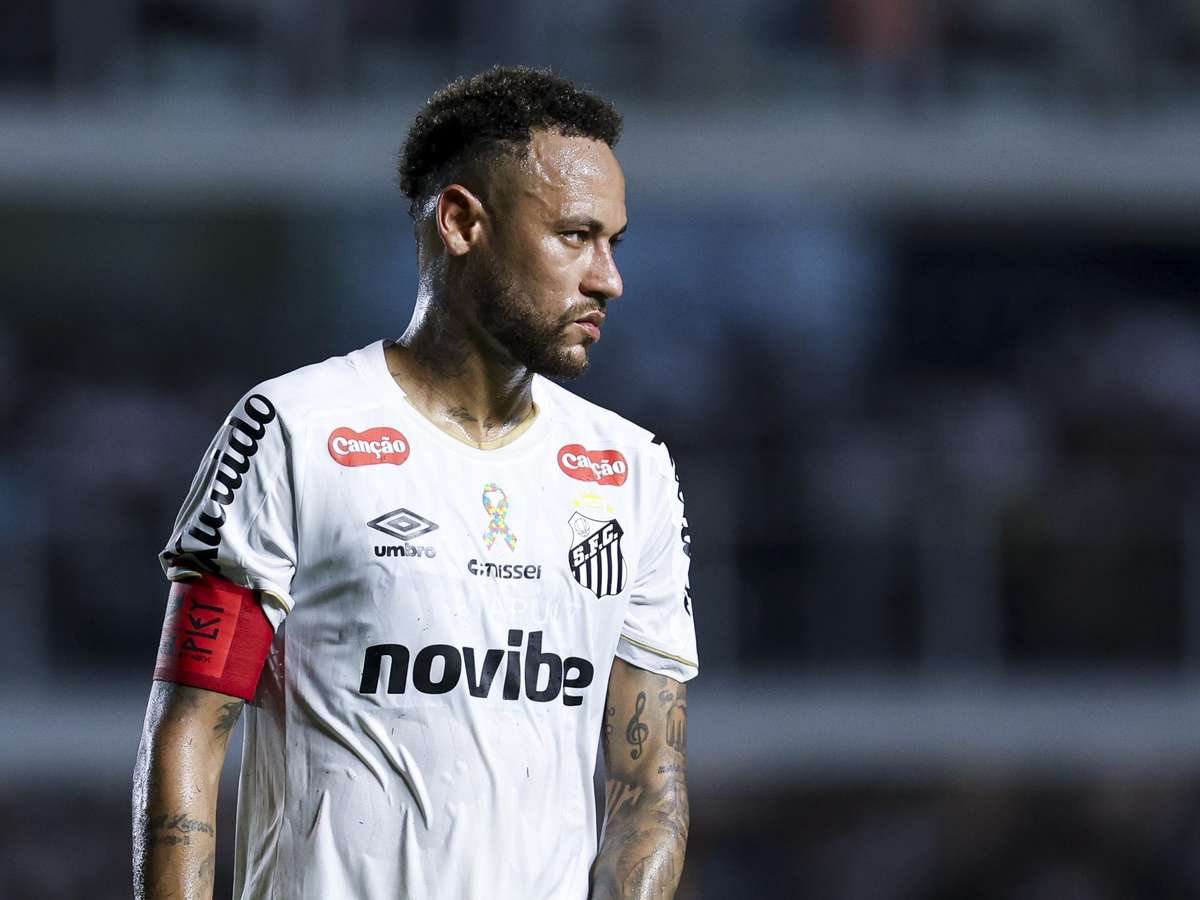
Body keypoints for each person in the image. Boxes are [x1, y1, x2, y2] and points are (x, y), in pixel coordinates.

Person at [131, 66, 697, 900]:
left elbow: (650, 792)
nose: (607, 278)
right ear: (462, 221)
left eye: (613, 241)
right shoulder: (294, 430)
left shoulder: (631, 471)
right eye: (575, 236)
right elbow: (189, 733)